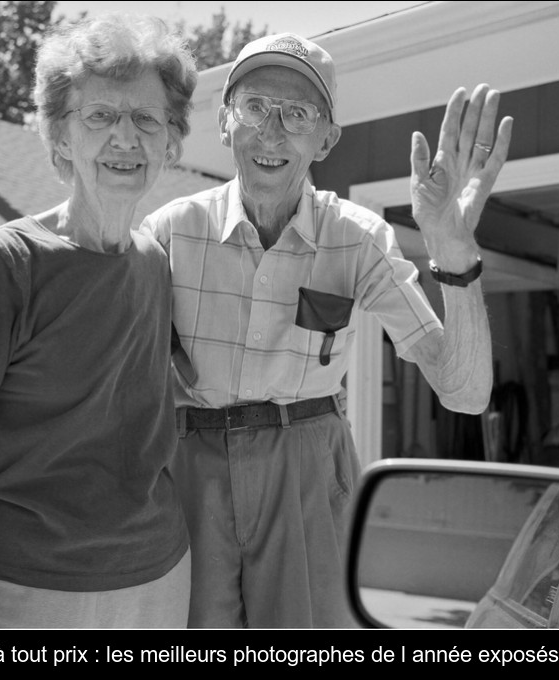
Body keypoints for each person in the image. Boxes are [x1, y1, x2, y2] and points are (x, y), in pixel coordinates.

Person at [142, 32, 513, 628]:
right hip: (192, 467)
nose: (272, 131)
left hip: (309, 467)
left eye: (299, 114)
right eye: (256, 106)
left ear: (326, 140)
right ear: (223, 120)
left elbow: (465, 393)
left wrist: (452, 250)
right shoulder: (168, 233)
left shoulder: (358, 238)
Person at [0, 13, 198, 629]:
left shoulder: (155, 264)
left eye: (147, 119)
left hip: (161, 581)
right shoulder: (0, 262)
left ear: (170, 142)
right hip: (23, 592)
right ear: (60, 137)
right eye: (100, 116)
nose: (126, 138)